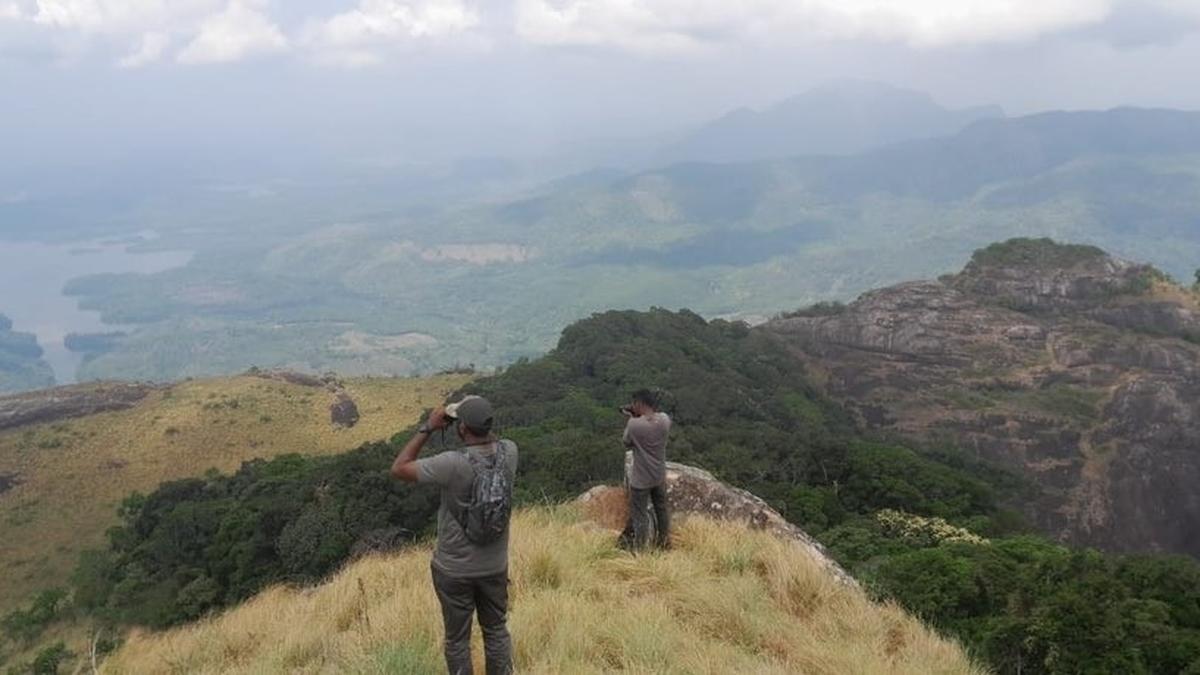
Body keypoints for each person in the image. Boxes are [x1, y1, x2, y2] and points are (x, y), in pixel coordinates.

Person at [391, 395, 517, 675]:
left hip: (454, 568)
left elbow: (399, 467)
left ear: (461, 429)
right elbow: (490, 439)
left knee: (457, 640)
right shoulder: (510, 452)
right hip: (495, 565)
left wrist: (429, 427)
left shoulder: (451, 464)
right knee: (496, 630)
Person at [619, 388, 672, 550]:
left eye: (634, 403)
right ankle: (664, 543)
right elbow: (654, 418)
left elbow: (626, 442)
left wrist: (632, 418)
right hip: (659, 476)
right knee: (661, 510)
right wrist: (639, 415)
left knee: (639, 516)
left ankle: (641, 550)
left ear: (639, 404)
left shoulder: (634, 425)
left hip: (641, 480)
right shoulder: (664, 420)